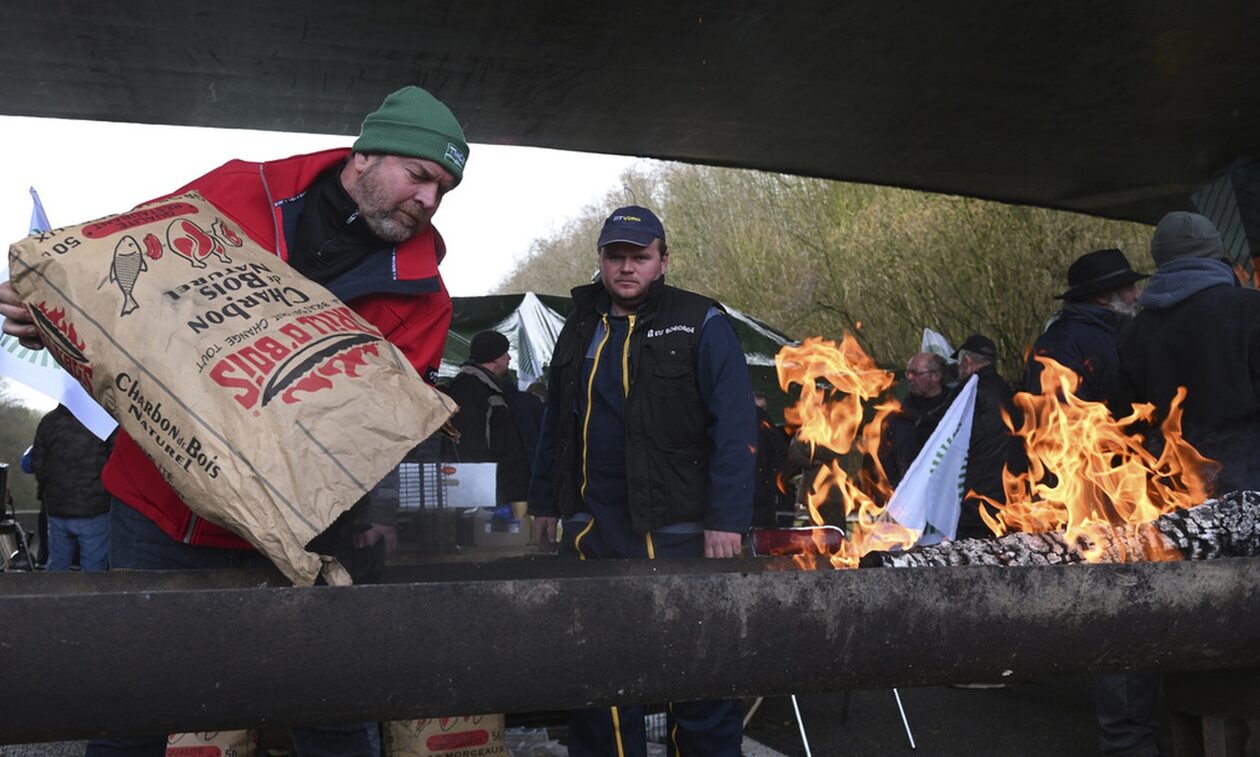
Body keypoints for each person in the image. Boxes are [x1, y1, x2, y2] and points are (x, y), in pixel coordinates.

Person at [1, 84, 469, 757]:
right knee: (132, 705)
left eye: (443, 190)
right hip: (156, 513)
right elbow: (120, 290)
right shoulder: (236, 192)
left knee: (332, 713)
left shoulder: (425, 299)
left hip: (302, 537)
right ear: (365, 156)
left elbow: (372, 438)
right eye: (419, 175)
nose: (428, 199)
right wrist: (56, 319)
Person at [528, 205, 756, 756]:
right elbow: (555, 423)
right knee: (598, 684)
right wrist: (543, 502)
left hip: (681, 534)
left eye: (640, 257)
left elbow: (736, 426)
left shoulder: (702, 320)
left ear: (662, 262)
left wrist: (727, 519)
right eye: (616, 257)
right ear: (601, 261)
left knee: (700, 681)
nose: (626, 268)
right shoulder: (578, 326)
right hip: (593, 534)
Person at [1021, 249, 1159, 757]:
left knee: (1133, 608)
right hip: (1102, 497)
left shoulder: (1094, 335)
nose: (1137, 295)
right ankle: (1126, 741)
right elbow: (1050, 430)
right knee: (1122, 609)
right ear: (1105, 296)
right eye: (1128, 289)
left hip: (1123, 490)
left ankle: (1133, 730)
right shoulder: (1074, 342)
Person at [1119, 210, 1260, 495]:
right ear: (1216, 252)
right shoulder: (1251, 310)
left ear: (1161, 258)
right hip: (1249, 479)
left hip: (1173, 488)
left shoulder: (1134, 332)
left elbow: (1127, 419)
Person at [1023, 248, 1147, 409]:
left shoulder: (1122, 333)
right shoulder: (1061, 343)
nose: (1137, 295)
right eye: (1130, 288)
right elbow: (1058, 420)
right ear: (1101, 297)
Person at [445, 330, 531, 504]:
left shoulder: (491, 387)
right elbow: (467, 442)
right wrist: (479, 494)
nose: (509, 358)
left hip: (499, 489)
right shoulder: (468, 388)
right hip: (485, 492)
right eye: (505, 353)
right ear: (494, 358)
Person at [29, 405, 114, 571]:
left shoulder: (48, 422)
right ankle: (89, 598)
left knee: (57, 565)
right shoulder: (102, 422)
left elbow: (37, 464)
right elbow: (116, 464)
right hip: (95, 509)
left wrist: (49, 491)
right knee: (94, 570)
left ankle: (54, 596)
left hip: (57, 509)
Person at [953, 334, 1020, 540]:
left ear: (968, 361)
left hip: (977, 496)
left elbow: (962, 443)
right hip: (1008, 491)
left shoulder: (972, 393)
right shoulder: (1005, 390)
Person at [880, 351, 950, 487]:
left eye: (916, 373)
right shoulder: (898, 417)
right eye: (908, 373)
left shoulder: (955, 410)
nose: (910, 378)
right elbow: (885, 459)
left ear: (936, 375)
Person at [752, 391, 790, 528]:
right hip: (763, 487)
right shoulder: (766, 425)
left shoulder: (741, 424)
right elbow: (780, 453)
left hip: (758, 485)